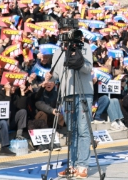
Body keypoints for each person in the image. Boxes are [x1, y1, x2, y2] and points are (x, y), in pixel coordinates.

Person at [51, 26, 94, 179]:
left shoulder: (85, 47)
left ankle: (82, 166)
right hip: (66, 94)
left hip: (84, 93)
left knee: (83, 130)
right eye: (63, 31)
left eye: (68, 31)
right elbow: (56, 74)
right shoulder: (58, 51)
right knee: (71, 130)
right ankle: (72, 164)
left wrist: (76, 58)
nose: (66, 34)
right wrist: (50, 79)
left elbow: (88, 69)